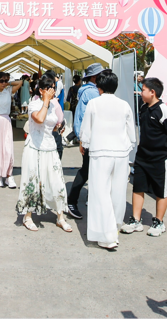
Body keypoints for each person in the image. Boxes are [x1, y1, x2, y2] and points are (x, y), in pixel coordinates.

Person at [80, 71, 136, 250]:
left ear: (99, 87)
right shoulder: (124, 105)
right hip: (120, 153)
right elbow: (131, 133)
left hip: (100, 152)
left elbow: (86, 129)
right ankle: (114, 228)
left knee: (100, 193)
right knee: (118, 192)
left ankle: (106, 233)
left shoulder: (94, 103)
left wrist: (84, 143)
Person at [121, 77, 167, 237]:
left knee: (161, 191)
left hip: (160, 157)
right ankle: (136, 220)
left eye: (143, 90)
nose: (140, 93)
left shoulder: (164, 110)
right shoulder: (143, 107)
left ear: (152, 92)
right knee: (138, 188)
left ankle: (159, 222)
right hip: (142, 156)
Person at [16, 74, 73, 233]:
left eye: (53, 88)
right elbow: (39, 119)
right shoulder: (34, 104)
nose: (52, 91)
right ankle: (28, 216)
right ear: (41, 90)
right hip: (35, 147)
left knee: (57, 181)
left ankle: (60, 217)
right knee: (32, 181)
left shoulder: (53, 105)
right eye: (49, 88)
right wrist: (46, 101)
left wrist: (56, 127)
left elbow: (53, 122)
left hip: (50, 146)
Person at [67, 63, 107, 220]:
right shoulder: (92, 93)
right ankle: (72, 201)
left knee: (89, 170)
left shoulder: (88, 91)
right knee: (87, 170)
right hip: (93, 138)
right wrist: (83, 139)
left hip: (90, 137)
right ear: (95, 77)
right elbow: (86, 117)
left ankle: (78, 200)